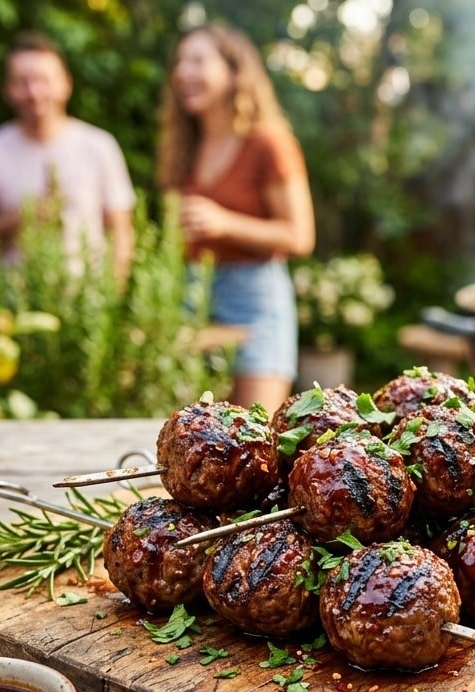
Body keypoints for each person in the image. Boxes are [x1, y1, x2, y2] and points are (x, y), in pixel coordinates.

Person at [159, 22, 315, 413]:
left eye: (198, 61)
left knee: (256, 433)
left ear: (234, 73)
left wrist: (225, 223)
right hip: (194, 297)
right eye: (180, 62)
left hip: (254, 301)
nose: (183, 72)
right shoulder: (184, 147)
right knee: (197, 435)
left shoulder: (267, 143)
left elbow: (300, 236)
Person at [0, 32, 134, 279]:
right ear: (7, 90)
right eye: (22, 82)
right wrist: (22, 217)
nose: (34, 92)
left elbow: (121, 230)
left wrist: (114, 287)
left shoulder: (99, 146)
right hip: (13, 295)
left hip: (88, 293)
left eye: (43, 80)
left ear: (66, 84)